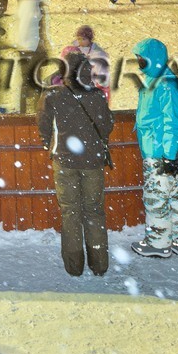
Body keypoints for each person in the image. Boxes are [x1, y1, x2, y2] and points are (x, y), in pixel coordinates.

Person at [39, 50, 115, 276]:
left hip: (65, 162)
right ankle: (99, 264)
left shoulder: (53, 96)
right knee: (94, 212)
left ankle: (74, 266)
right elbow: (107, 125)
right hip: (92, 162)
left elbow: (43, 123)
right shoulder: (97, 96)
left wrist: (48, 145)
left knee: (70, 212)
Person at [130, 38, 178, 258]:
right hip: (163, 149)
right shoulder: (156, 79)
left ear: (152, 59)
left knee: (156, 196)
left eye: (141, 59)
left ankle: (159, 243)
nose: (139, 63)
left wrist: (168, 156)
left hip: (161, 151)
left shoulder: (166, 83)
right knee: (172, 194)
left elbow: (172, 121)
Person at [68, 25, 111, 95]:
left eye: (83, 39)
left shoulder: (99, 55)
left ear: (90, 39)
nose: (80, 42)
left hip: (93, 84)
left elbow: (101, 79)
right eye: (79, 39)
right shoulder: (78, 47)